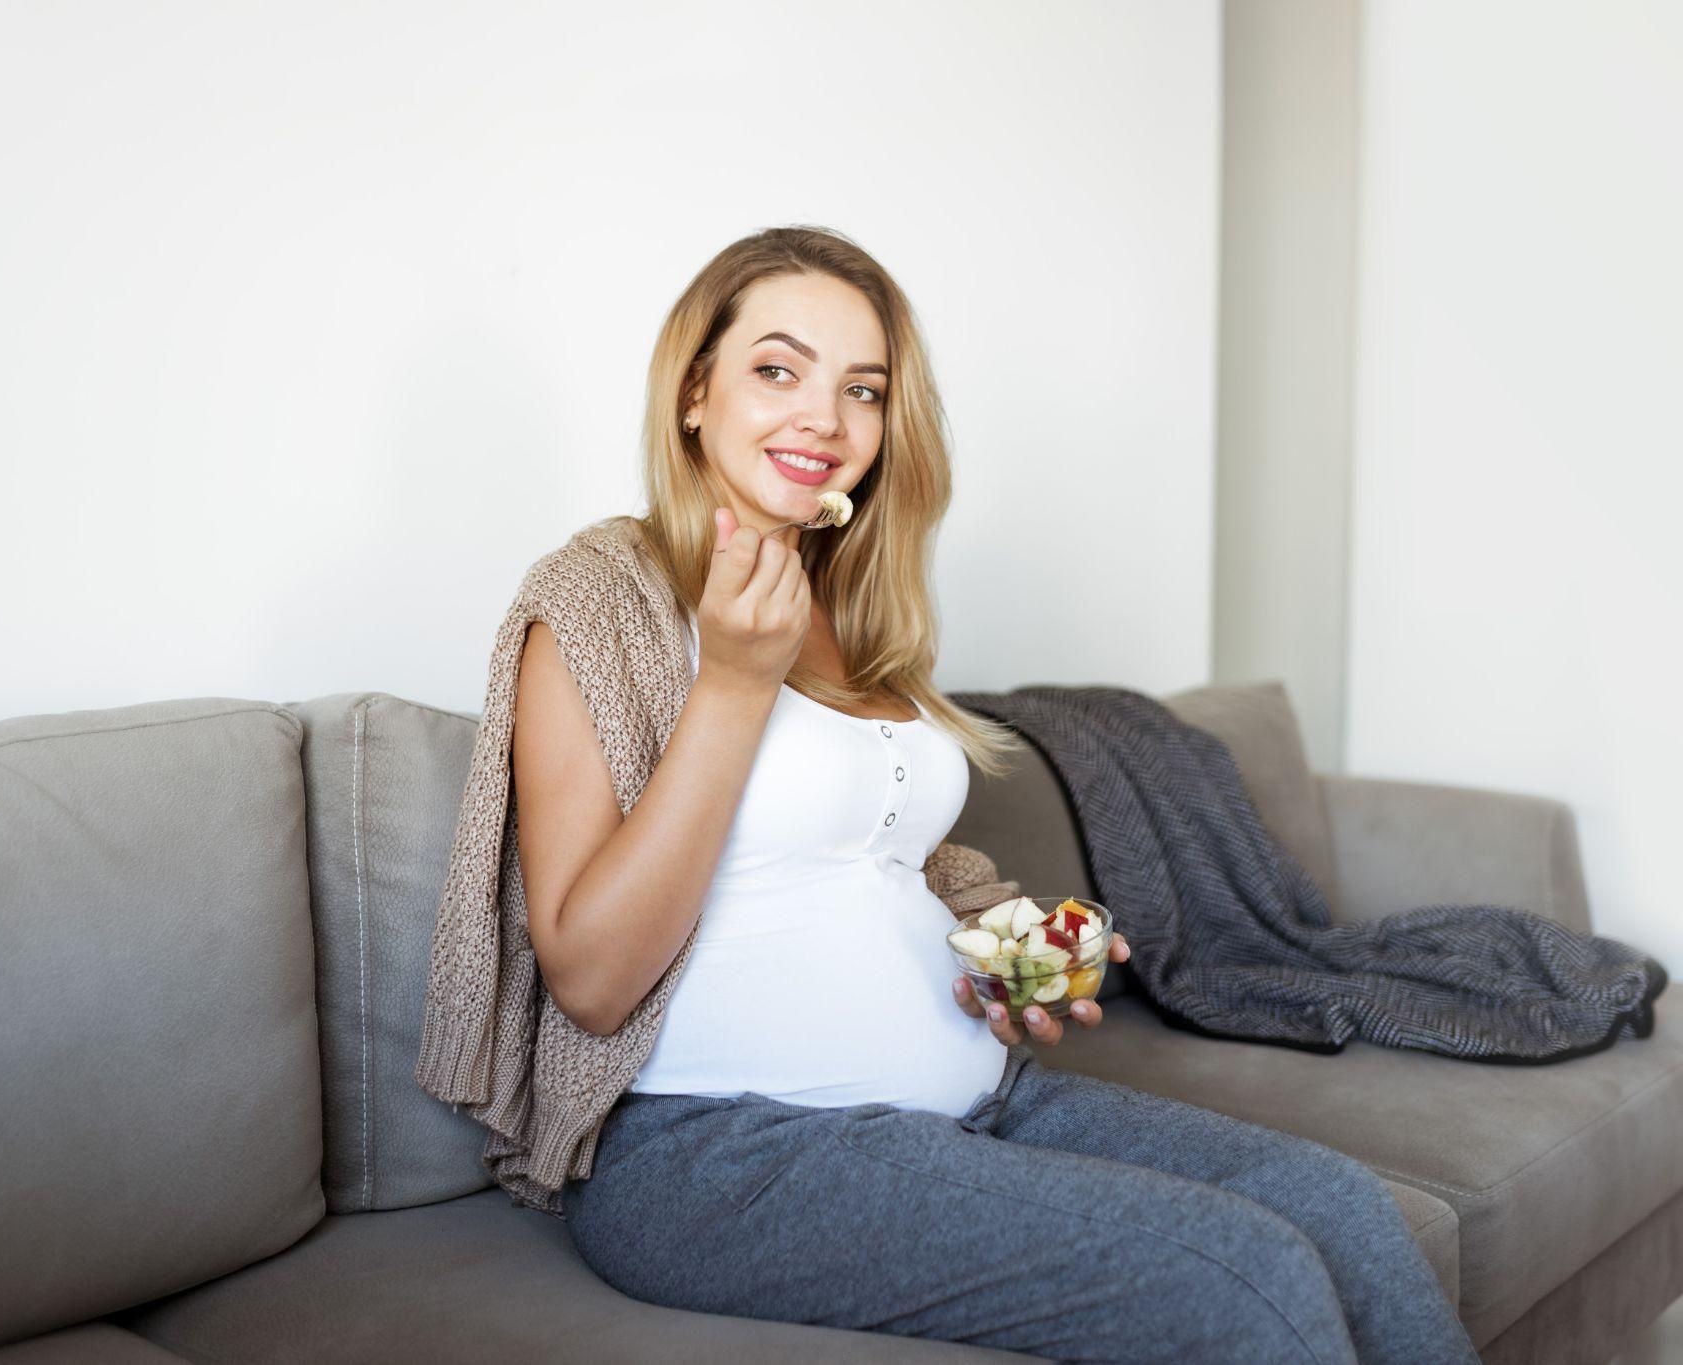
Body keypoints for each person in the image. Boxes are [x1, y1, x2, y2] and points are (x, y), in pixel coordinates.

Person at [507, 226, 1481, 1364]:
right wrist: (731, 682)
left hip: (979, 1097)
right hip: (721, 1154)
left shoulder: (856, 612)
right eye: (777, 369)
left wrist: (997, 963)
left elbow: (879, 871)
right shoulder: (598, 595)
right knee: (1248, 1278)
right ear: (692, 393)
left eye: (860, 389)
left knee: (1347, 1213)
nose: (822, 416)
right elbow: (586, 978)